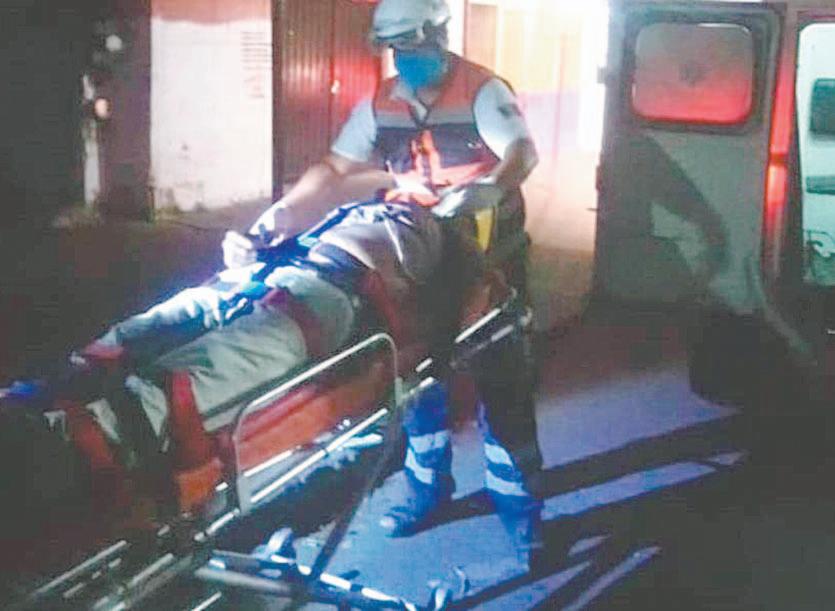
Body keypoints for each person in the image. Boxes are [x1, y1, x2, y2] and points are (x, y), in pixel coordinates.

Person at [221, 0, 544, 565]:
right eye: (397, 49)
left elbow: (521, 150)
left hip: (486, 257)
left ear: (439, 36)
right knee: (415, 378)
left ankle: (520, 512)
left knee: (503, 385)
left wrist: (490, 186)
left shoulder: (481, 91)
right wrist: (284, 213)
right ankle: (427, 488)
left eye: (413, 46)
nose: (405, 59)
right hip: (419, 252)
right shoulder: (382, 103)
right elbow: (335, 167)